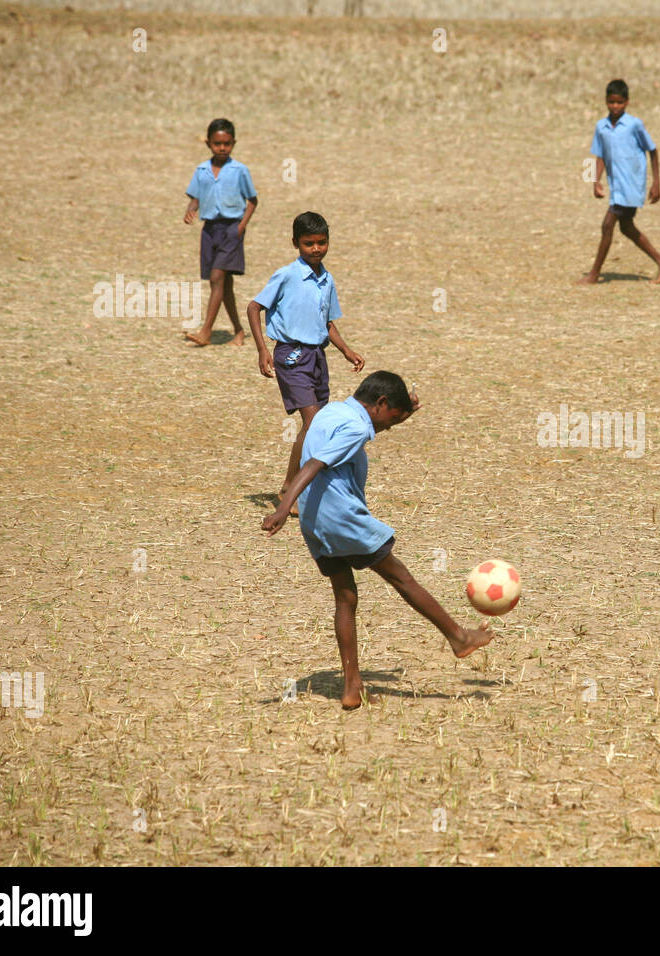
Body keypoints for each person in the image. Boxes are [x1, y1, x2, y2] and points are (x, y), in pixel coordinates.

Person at [263, 372, 493, 709]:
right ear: (381, 403)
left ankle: (351, 687)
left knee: (345, 598)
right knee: (401, 577)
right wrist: (284, 507)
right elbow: (314, 463)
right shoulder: (356, 428)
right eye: (392, 418)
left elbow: (321, 447)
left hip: (316, 521)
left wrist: (401, 416)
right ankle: (458, 637)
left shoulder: (331, 413)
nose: (389, 427)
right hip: (343, 519)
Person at [247, 212, 365, 512]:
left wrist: (347, 351)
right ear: (295, 244)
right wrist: (263, 350)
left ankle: (293, 484)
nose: (316, 249)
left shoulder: (327, 280)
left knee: (317, 424)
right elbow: (254, 307)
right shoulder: (286, 275)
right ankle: (292, 490)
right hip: (290, 356)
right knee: (313, 423)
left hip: (316, 357)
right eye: (308, 243)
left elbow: (328, 323)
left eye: (322, 242)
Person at [577, 79, 660, 285]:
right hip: (617, 186)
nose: (615, 107)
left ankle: (594, 274)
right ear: (605, 101)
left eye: (620, 103)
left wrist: (656, 183)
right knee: (627, 227)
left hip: (631, 184)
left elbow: (653, 150)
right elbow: (601, 154)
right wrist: (596, 181)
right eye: (611, 102)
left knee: (607, 224)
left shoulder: (633, 125)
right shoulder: (601, 127)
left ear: (627, 103)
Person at [183, 118, 257, 347]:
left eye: (226, 143)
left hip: (231, 230)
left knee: (217, 278)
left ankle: (206, 331)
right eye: (217, 144)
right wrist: (191, 210)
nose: (222, 148)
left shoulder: (239, 170)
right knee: (223, 284)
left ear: (233, 143)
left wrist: (241, 226)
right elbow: (196, 196)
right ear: (209, 144)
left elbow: (252, 200)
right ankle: (238, 331)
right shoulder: (202, 170)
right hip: (210, 231)